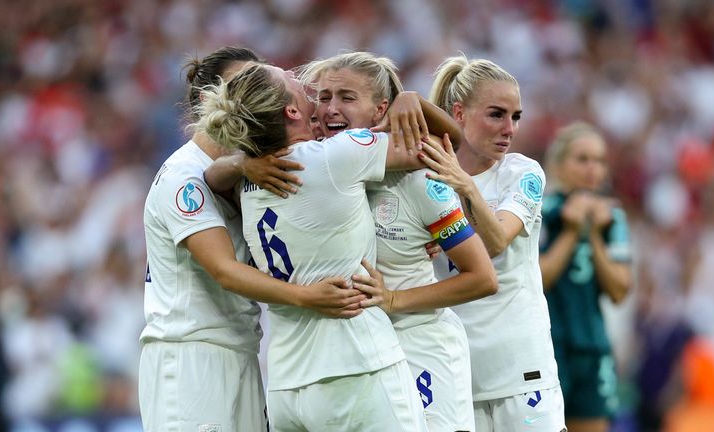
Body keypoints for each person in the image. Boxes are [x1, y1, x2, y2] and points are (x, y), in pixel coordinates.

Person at [196, 60, 465, 431]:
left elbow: (212, 176)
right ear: (291, 110)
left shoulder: (246, 180)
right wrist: (412, 102)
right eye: (290, 79)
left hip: (287, 385)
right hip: (356, 367)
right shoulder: (338, 155)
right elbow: (442, 146)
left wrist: (241, 162)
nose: (299, 79)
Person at [139, 47, 368, 432]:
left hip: (240, 348)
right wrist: (306, 297)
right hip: (191, 357)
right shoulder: (183, 176)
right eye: (242, 83)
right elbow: (224, 271)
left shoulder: (255, 170)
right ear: (208, 100)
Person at [302, 51, 498, 432]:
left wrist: (393, 299)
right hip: (359, 354)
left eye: (346, 97)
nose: (330, 108)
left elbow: (482, 277)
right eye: (323, 97)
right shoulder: (319, 171)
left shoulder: (419, 180)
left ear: (380, 111)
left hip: (421, 345)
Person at [419, 55, 566, 432]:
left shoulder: (523, 173)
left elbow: (497, 240)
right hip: (455, 370)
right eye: (497, 114)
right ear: (459, 113)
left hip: (520, 371)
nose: (510, 128)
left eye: (516, 116)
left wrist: (463, 185)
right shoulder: (420, 180)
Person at [539, 121, 632, 432]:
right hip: (547, 346)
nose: (593, 169)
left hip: (592, 347)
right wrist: (570, 232)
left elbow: (620, 290)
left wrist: (591, 234)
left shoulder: (611, 218)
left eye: (600, 160)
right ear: (558, 164)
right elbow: (536, 282)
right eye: (583, 159)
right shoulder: (539, 212)